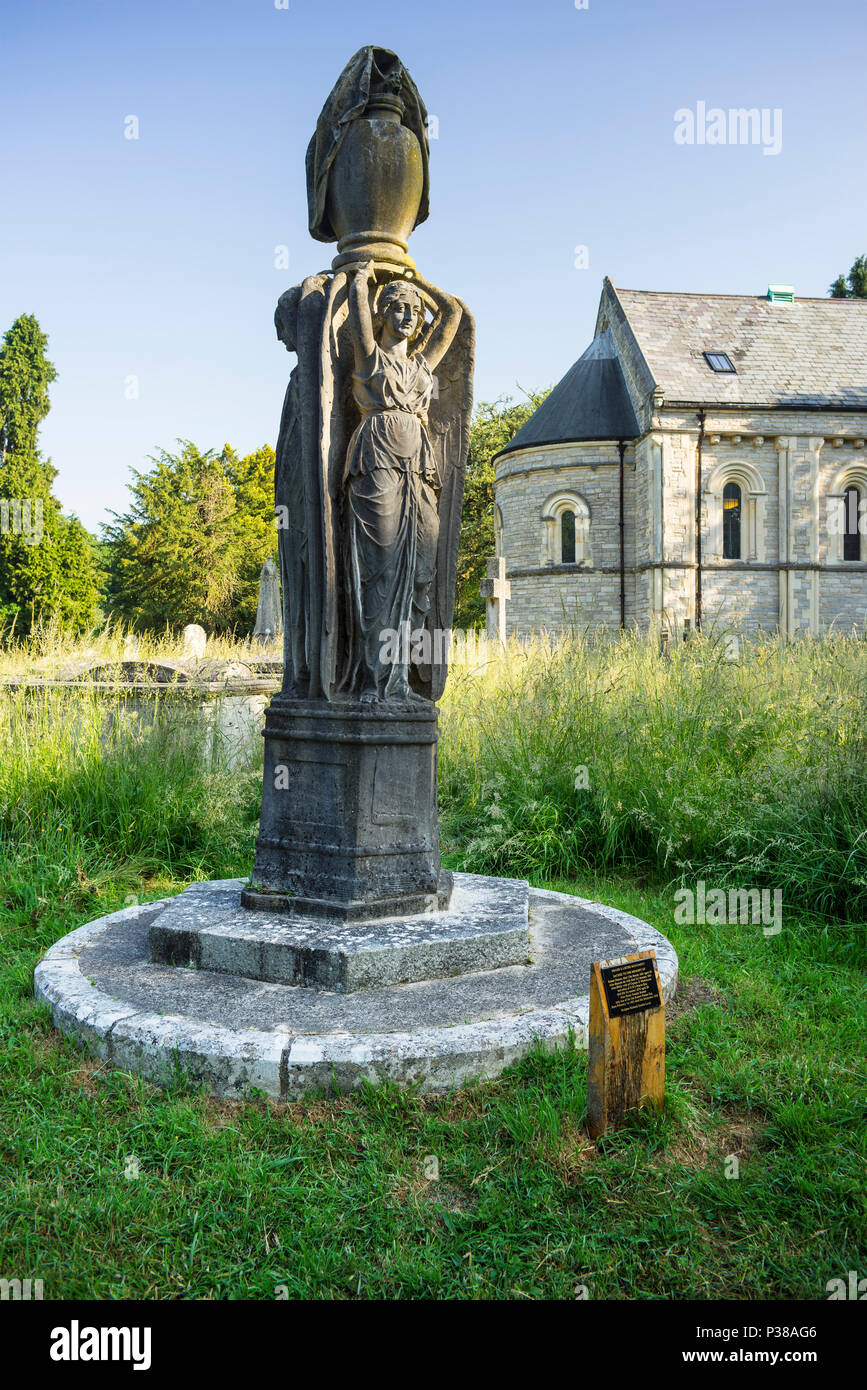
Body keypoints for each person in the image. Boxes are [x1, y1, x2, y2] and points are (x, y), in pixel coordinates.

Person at [342, 261, 461, 702]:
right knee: (381, 571)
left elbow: (452, 316)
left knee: (418, 574)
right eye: (399, 307)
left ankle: (402, 681)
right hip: (377, 460)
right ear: (383, 313)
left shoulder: (423, 367)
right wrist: (360, 279)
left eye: (415, 310)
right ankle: (373, 682)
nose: (410, 315)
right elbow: (358, 316)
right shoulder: (371, 356)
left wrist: (418, 283)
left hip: (419, 467)